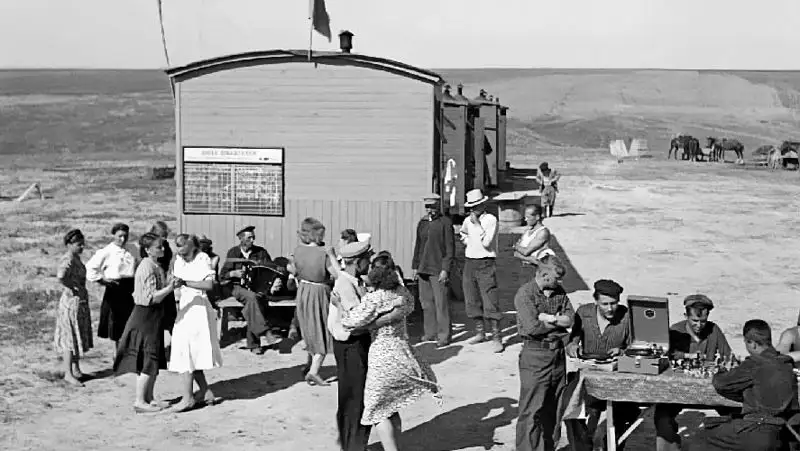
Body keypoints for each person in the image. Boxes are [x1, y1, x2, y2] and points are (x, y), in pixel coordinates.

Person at [334, 254, 441, 451]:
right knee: (392, 406)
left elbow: (350, 322)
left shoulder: (375, 298)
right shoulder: (402, 292)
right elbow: (408, 307)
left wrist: (339, 304)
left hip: (382, 356)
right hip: (403, 351)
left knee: (377, 411)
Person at [689, 319, 799, 451]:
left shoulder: (755, 363)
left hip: (757, 430)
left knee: (701, 438)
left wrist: (721, 370)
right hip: (781, 432)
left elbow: (721, 383)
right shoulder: (786, 364)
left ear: (752, 344)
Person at [564, 279, 638, 450]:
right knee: (570, 406)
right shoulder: (583, 313)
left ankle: (610, 444)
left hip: (617, 378)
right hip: (587, 376)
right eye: (605, 304)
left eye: (614, 303)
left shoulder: (627, 316)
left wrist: (623, 351)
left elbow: (635, 349)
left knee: (627, 411)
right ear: (595, 300)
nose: (610, 308)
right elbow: (572, 341)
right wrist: (572, 347)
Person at [655, 294, 733, 451]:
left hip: (709, 390)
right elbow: (665, 356)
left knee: (735, 413)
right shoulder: (675, 331)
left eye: (703, 321)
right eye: (694, 321)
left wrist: (725, 365)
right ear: (686, 316)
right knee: (662, 417)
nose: (699, 325)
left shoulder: (714, 330)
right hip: (678, 389)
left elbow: (728, 356)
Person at [514, 256, 574, 451]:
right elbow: (533, 328)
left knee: (553, 409)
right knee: (531, 410)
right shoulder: (525, 294)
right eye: (557, 278)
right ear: (545, 275)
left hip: (557, 357)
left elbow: (570, 320)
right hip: (535, 356)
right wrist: (558, 322)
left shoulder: (559, 292)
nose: (560, 282)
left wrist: (548, 318)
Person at [114, 233, 178, 413]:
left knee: (154, 358)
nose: (163, 249)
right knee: (147, 359)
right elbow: (151, 298)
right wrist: (170, 288)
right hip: (145, 317)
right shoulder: (146, 267)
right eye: (158, 247)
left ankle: (149, 398)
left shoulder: (155, 265)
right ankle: (140, 401)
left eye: (162, 246)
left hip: (154, 317)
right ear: (148, 250)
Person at [169, 234, 223, 413]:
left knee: (187, 353)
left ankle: (187, 398)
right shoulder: (178, 260)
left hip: (199, 308)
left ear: (193, 247)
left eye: (184, 250)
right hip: (184, 307)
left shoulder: (203, 259)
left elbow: (209, 285)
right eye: (179, 249)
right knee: (188, 352)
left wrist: (186, 283)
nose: (181, 253)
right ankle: (207, 393)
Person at [290, 217, 338, 386]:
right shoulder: (323, 253)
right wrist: (332, 256)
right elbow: (337, 275)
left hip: (303, 291)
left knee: (309, 329)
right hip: (319, 292)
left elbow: (293, 270)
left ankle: (309, 364)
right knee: (322, 331)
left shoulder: (297, 250)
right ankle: (314, 371)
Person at [219, 225, 281, 354]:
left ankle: (254, 344)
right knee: (253, 298)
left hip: (257, 288)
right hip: (237, 287)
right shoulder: (233, 253)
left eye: (253, 237)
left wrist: (275, 281)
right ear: (241, 239)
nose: (252, 240)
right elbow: (222, 276)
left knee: (253, 301)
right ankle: (265, 332)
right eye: (249, 238)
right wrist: (233, 273)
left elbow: (272, 269)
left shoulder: (261, 252)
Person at [460, 188, 503, 353]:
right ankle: (480, 332)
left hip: (486, 261)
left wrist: (477, 226)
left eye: (475, 206)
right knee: (471, 297)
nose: (472, 210)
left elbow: (487, 243)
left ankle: (496, 337)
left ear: (482, 205)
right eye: (470, 207)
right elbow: (463, 234)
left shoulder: (490, 220)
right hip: (470, 261)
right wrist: (468, 241)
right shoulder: (467, 220)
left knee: (490, 298)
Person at [86, 222, 139, 356]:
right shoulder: (106, 251)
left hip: (130, 289)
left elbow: (139, 263)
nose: (123, 239)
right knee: (117, 327)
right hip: (115, 290)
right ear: (113, 235)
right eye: (120, 236)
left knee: (131, 324)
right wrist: (103, 281)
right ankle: (118, 356)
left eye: (125, 236)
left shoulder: (133, 249)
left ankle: (129, 355)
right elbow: (90, 268)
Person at [411, 193, 455, 347]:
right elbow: (418, 245)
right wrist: (415, 266)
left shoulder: (445, 223)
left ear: (438, 206)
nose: (430, 210)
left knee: (441, 304)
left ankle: (444, 336)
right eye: (427, 207)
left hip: (438, 269)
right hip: (423, 268)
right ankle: (430, 332)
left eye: (433, 206)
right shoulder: (422, 223)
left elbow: (450, 248)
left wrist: (445, 269)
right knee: (426, 303)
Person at [53, 229, 93, 386]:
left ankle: (75, 369)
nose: (82, 247)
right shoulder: (68, 259)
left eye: (82, 244)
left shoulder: (75, 258)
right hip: (70, 303)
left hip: (79, 302)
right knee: (69, 338)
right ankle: (68, 373)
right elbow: (61, 276)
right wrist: (71, 287)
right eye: (78, 244)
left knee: (76, 335)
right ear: (69, 244)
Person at [149, 221, 177, 334]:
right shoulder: (148, 245)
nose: (165, 238)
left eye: (166, 235)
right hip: (154, 280)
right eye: (162, 235)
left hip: (165, 280)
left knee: (170, 316)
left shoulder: (166, 245)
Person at [514, 204, 555, 269]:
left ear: (537, 217)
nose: (525, 219)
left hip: (538, 270)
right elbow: (516, 253)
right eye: (525, 217)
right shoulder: (528, 231)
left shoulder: (542, 232)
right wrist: (530, 259)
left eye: (528, 217)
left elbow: (525, 252)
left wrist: (516, 247)